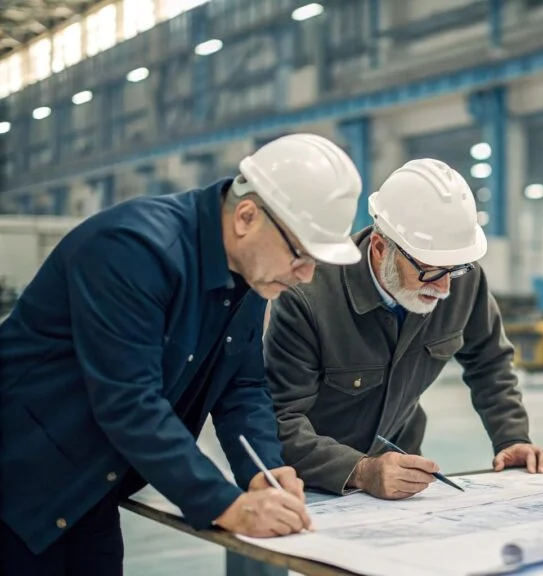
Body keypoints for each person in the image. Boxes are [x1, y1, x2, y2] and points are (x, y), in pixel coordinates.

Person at [0, 133, 365, 574]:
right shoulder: (132, 250)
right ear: (247, 217)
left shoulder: (252, 274)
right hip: (19, 487)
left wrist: (264, 471)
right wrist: (225, 505)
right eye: (300, 256)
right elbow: (129, 403)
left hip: (91, 491)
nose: (305, 276)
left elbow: (243, 389)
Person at [265, 158, 543, 501]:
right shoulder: (308, 299)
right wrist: (361, 470)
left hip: (399, 475)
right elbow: (279, 421)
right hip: (308, 483)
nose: (446, 287)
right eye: (431, 271)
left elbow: (489, 362)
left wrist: (512, 438)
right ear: (380, 248)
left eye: (455, 269)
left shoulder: (461, 278)